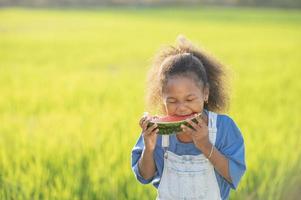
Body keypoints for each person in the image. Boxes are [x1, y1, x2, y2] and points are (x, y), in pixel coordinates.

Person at [131, 35, 246, 200]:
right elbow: (145, 176)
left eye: (189, 99)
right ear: (162, 98)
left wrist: (205, 145)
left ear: (205, 93)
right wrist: (148, 148)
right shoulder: (156, 131)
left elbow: (233, 176)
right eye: (172, 101)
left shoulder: (223, 128)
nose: (182, 107)